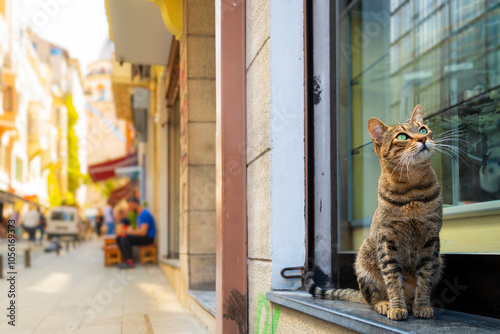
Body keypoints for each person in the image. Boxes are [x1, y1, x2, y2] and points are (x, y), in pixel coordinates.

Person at [116, 198, 156, 269]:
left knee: (124, 236)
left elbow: (143, 233)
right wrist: (129, 230)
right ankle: (127, 260)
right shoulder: (138, 215)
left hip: (148, 238)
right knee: (119, 237)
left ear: (135, 204)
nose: (129, 208)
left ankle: (129, 261)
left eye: (130, 206)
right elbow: (138, 231)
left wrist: (128, 232)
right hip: (142, 237)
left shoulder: (145, 213)